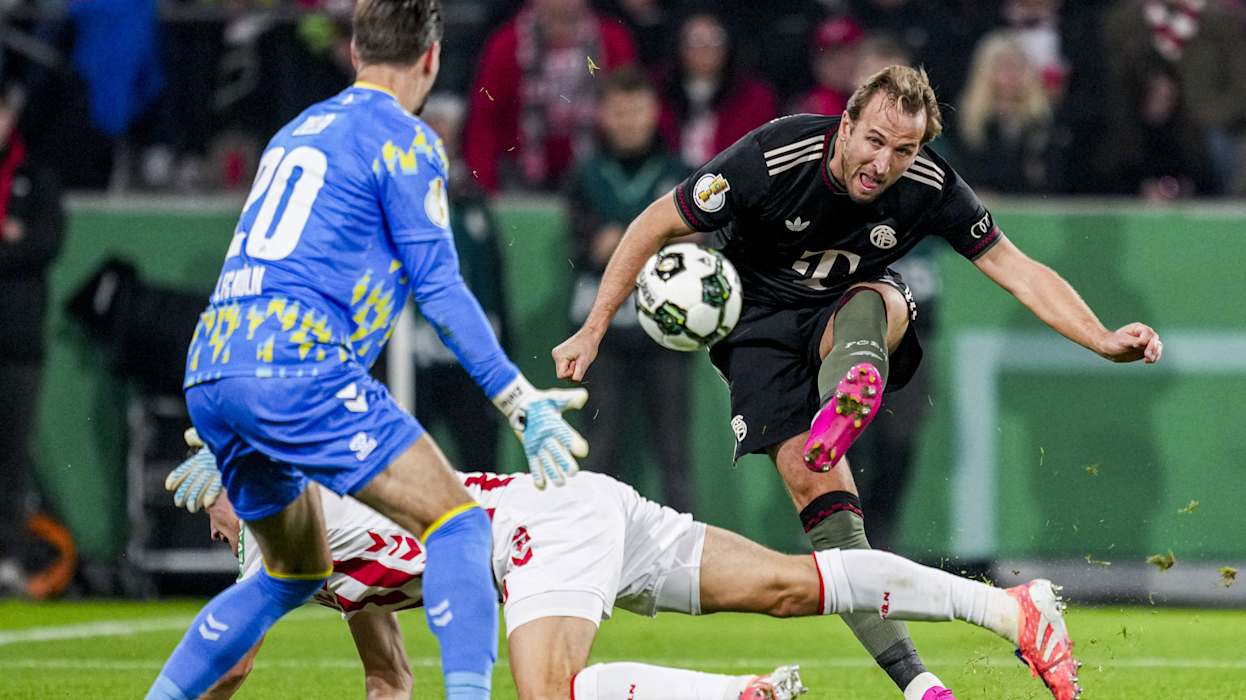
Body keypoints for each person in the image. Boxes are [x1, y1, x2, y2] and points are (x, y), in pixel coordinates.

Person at [555, 64, 1162, 699]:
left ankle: (855, 382)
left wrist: (1101, 337)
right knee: (835, 533)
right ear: (844, 124)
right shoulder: (773, 155)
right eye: (874, 140)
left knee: (879, 299)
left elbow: (1017, 268)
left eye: (904, 149)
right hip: (756, 328)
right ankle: (922, 684)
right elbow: (655, 222)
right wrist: (594, 328)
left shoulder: (930, 183)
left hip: (852, 305)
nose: (885, 161)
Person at [147, 3, 591, 699]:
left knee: (291, 573)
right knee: (458, 526)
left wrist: (240, 412)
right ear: (432, 59)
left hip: (216, 361)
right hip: (298, 366)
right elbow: (440, 290)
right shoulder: (405, 140)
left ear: (354, 53)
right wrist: (518, 399)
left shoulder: (296, 132)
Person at [168, 435, 1080, 700]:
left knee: (547, 697)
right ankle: (1013, 609)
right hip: (577, 507)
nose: (209, 517)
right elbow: (387, 678)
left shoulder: (277, 515)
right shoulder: (332, 543)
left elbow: (231, 661)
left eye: (203, 484)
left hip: (542, 533)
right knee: (789, 586)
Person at [566, 67, 693, 510]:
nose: (628, 121)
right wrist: (658, 239)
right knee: (599, 446)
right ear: (602, 115)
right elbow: (586, 243)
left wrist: (620, 241)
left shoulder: (679, 171)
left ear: (654, 113)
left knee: (673, 452)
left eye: (636, 111)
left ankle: (686, 559)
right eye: (618, 112)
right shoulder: (587, 173)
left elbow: (698, 236)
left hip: (667, 329)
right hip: (602, 334)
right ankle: (593, 540)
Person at [462, 0, 637, 194]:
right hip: (519, 178)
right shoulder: (506, 44)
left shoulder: (612, 40)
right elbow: (484, 121)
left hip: (599, 173)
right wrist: (485, 187)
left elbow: (635, 107)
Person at [0, 96, 64, 596]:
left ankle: (9, 559)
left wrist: (15, 243)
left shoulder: (36, 178)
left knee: (13, 460)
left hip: (19, 343)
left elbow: (45, 244)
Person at [657, 12, 777, 169]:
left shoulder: (754, 96)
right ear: (679, 47)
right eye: (696, 41)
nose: (706, 50)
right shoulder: (660, 91)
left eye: (715, 40)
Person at [953, 32, 1065, 195]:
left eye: (1019, 66)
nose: (1012, 75)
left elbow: (1050, 178)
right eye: (1003, 66)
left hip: (1032, 210)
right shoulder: (968, 120)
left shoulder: (1042, 120)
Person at [793, 17, 864, 117]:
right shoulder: (813, 109)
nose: (844, 63)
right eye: (832, 57)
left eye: (851, 53)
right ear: (817, 63)